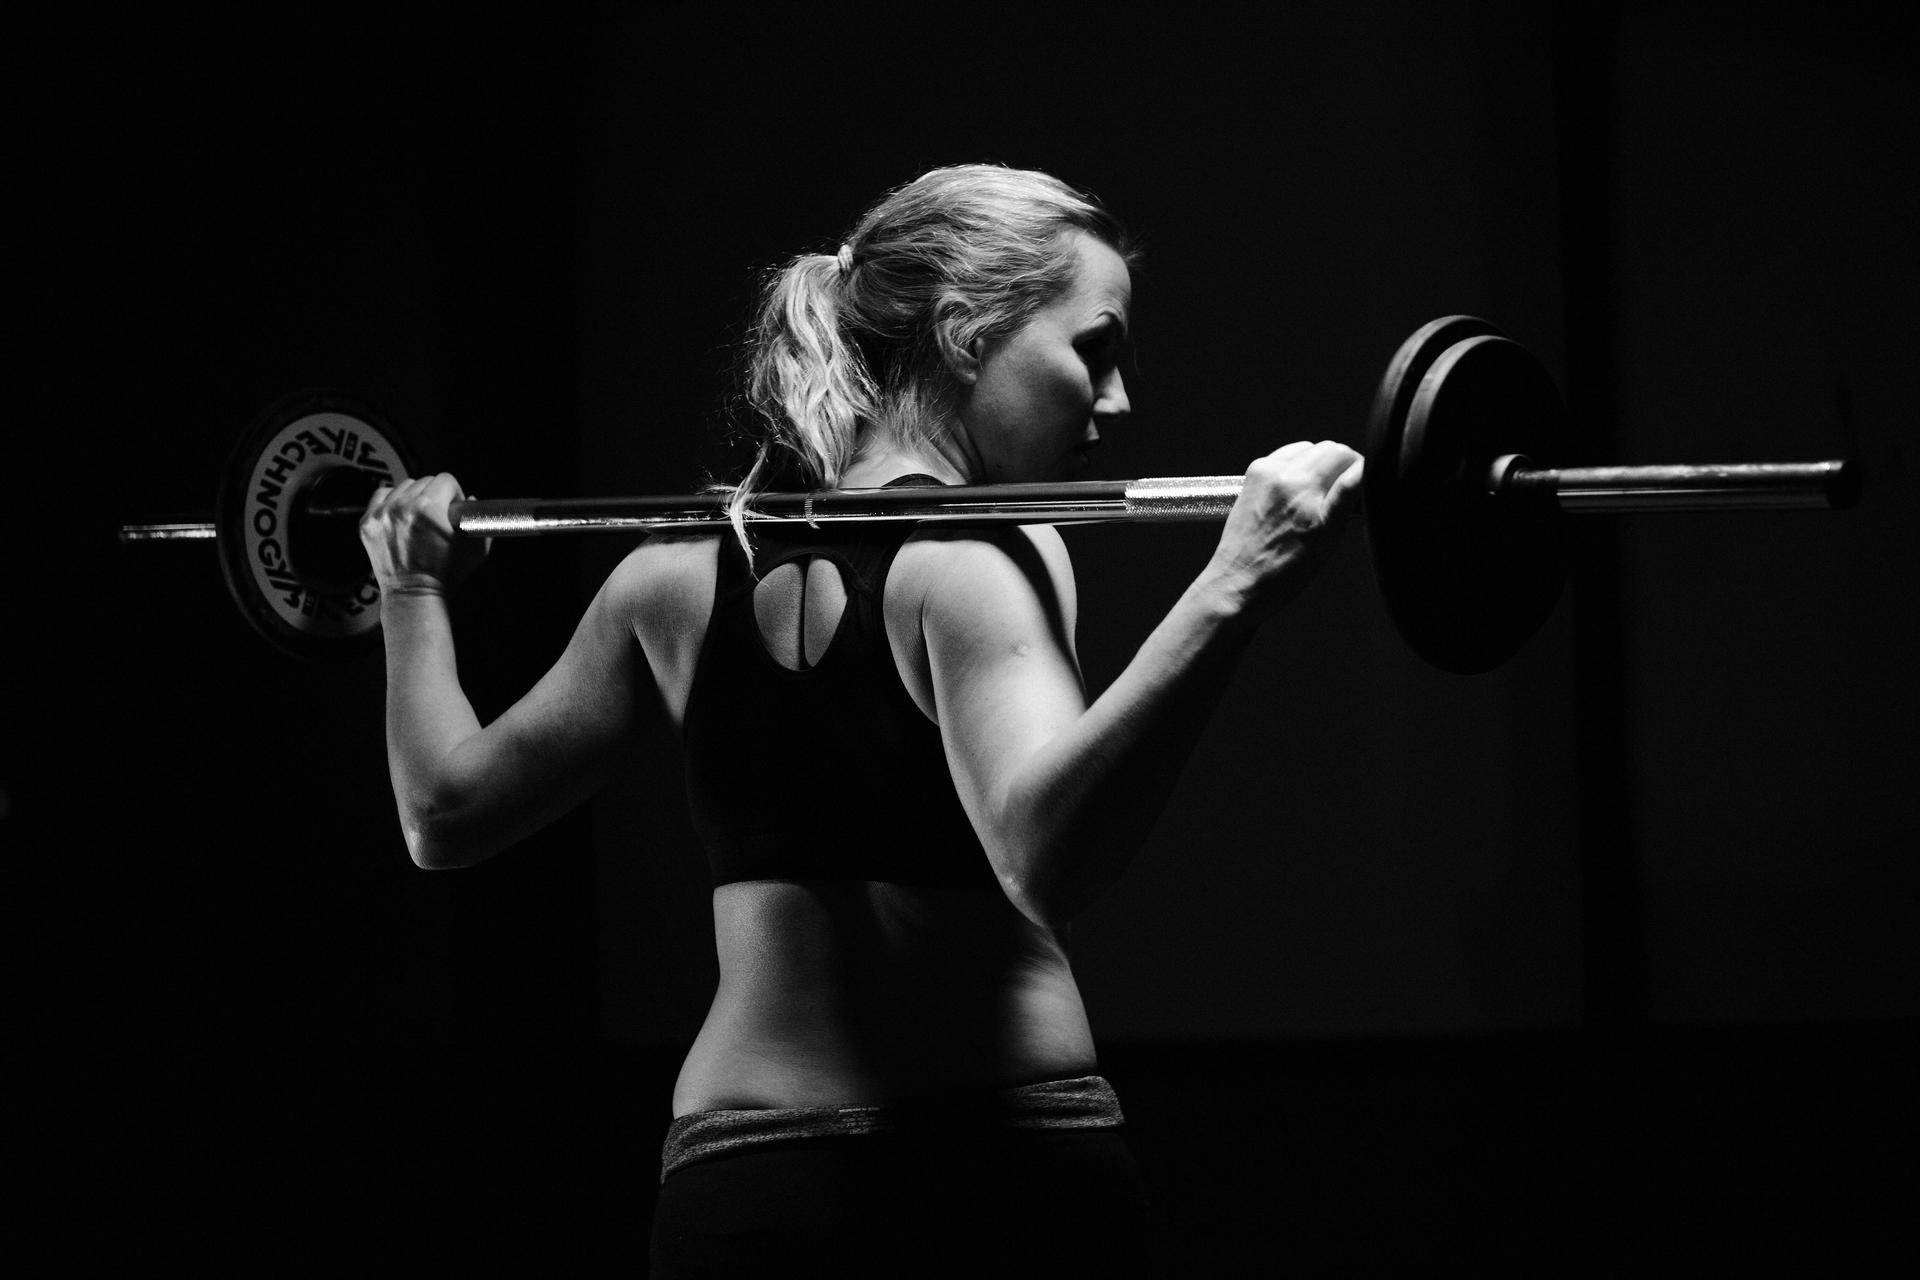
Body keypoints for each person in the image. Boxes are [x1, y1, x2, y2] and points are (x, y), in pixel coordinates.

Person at [360, 164, 1362, 1276]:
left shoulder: (672, 574)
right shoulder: (979, 561)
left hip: (749, 1192)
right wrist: (1234, 584)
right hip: (1001, 1178)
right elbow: (1046, 860)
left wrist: (411, 588)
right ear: (966, 333)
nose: (1116, 399)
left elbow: (443, 812)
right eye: (1096, 348)